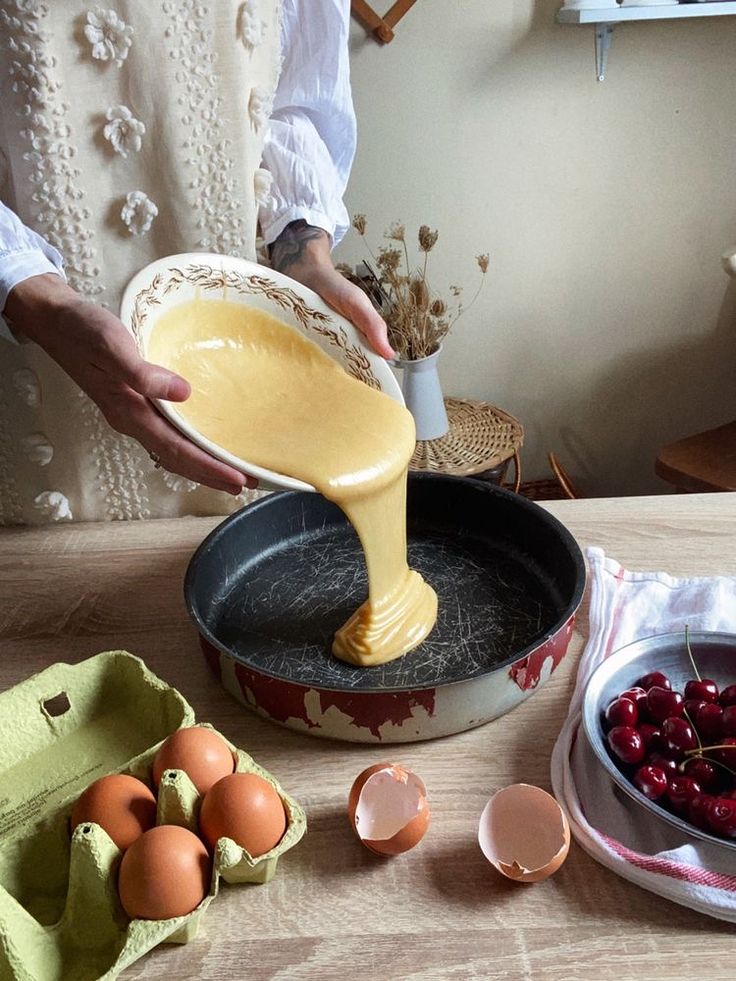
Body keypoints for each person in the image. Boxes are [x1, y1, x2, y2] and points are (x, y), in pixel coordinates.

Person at [0, 0, 391, 524]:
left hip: (244, 367)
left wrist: (305, 256)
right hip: (37, 363)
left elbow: (294, 97)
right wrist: (36, 297)